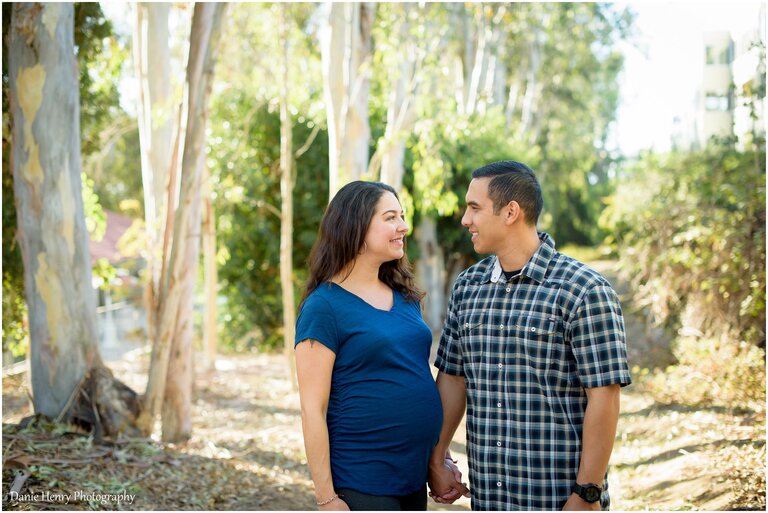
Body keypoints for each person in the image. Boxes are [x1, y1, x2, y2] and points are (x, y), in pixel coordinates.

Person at [427, 161, 632, 511]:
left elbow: (604, 397)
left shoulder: (584, 290)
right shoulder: (467, 287)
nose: (465, 219)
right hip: (490, 500)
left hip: (557, 498)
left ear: (510, 212)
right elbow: (452, 380)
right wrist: (437, 458)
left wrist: (587, 493)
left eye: (474, 208)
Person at [295, 181, 443, 511]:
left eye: (402, 216)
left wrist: (439, 457)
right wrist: (327, 498)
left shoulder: (404, 297)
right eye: (391, 217)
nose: (403, 226)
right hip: (362, 481)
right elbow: (312, 409)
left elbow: (413, 376)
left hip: (412, 477)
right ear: (356, 225)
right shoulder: (324, 307)